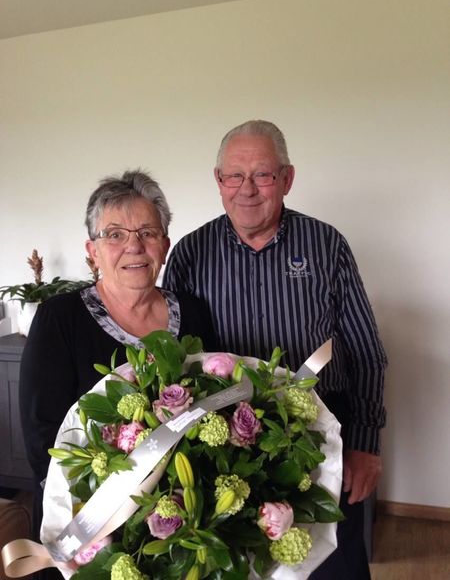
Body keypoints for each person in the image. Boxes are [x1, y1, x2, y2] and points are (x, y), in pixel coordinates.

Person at [162, 120, 387, 579]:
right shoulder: (188, 253)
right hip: (228, 443)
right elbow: (175, 361)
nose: (247, 189)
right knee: (248, 565)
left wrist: (364, 445)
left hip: (323, 431)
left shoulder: (326, 245)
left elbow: (365, 350)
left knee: (334, 562)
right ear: (218, 180)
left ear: (287, 179)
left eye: (262, 174)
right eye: (234, 175)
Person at [20, 169, 216, 579]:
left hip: (179, 519)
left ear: (165, 245)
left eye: (147, 232)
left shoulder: (194, 312)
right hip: (87, 525)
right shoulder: (59, 319)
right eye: (114, 234)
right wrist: (97, 518)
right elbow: (44, 441)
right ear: (92, 250)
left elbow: (213, 404)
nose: (134, 246)